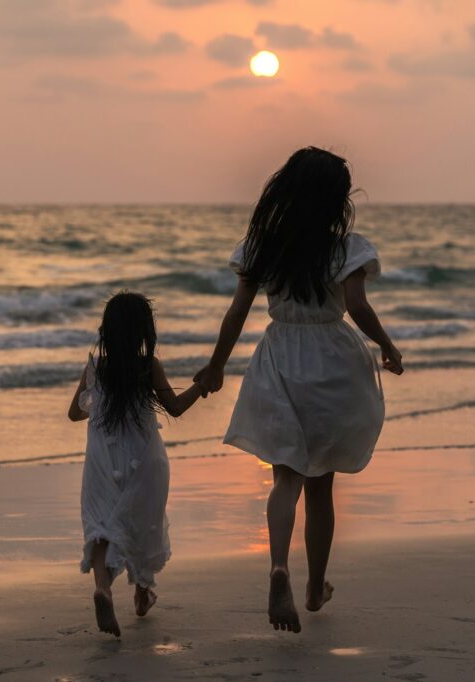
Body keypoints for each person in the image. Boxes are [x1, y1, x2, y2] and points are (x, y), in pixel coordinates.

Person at [194, 147, 404, 634]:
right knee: (322, 484)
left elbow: (237, 313)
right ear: (335, 199)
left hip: (280, 358)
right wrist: (388, 347)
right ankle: (313, 588)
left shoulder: (264, 246)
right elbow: (357, 306)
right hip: (331, 363)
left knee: (284, 478)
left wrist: (215, 366)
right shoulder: (344, 247)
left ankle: (278, 569)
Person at [68, 291, 206, 638]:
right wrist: (201, 387)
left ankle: (102, 587)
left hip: (103, 457)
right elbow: (174, 408)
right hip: (145, 459)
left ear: (107, 330)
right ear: (145, 330)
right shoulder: (149, 366)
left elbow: (74, 413)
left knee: (101, 524)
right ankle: (143, 594)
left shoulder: (96, 367)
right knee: (144, 525)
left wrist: (97, 399)